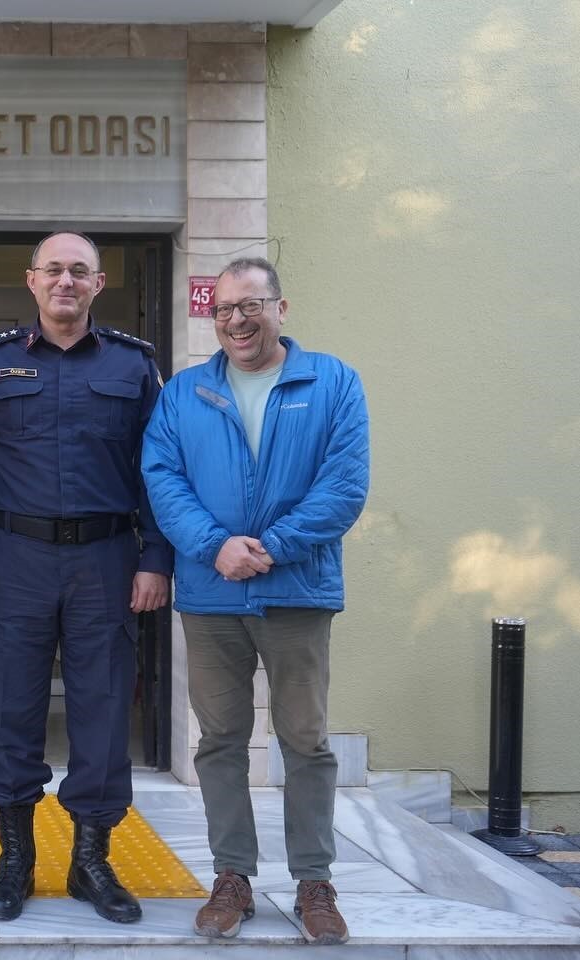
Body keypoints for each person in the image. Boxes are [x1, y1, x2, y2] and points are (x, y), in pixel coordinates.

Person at [141, 257, 369, 946]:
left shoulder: (331, 382)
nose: (237, 320)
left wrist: (270, 545)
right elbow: (163, 478)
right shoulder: (183, 394)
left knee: (305, 740)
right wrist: (216, 547)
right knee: (220, 741)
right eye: (224, 310)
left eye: (252, 305)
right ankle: (232, 876)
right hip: (212, 595)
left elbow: (345, 483)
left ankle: (314, 882)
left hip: (296, 587)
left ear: (281, 308)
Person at [0, 231, 173, 924]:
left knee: (104, 710)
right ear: (32, 280)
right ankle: (16, 862)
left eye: (81, 271)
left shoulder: (135, 368)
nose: (67, 281)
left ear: (99, 284)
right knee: (9, 708)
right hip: (15, 556)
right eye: (55, 270)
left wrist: (156, 557)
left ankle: (91, 863)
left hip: (106, 560)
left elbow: (158, 472)